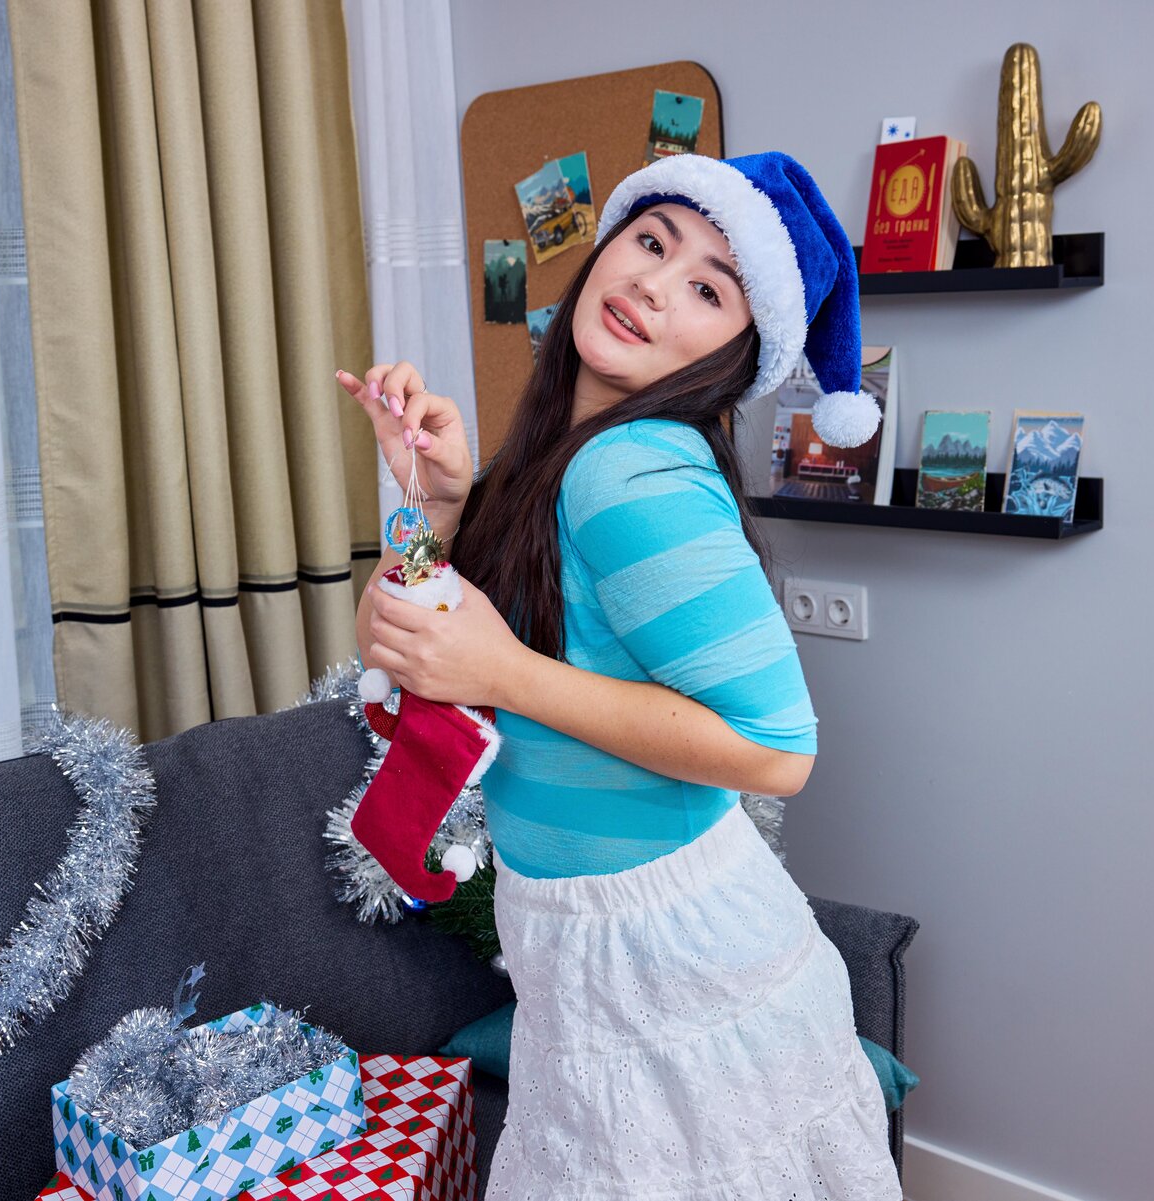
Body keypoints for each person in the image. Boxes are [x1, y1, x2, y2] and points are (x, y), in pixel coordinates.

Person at [337, 151, 897, 1199]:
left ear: (737, 352)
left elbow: (779, 750)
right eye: (650, 241)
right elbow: (403, 645)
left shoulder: (627, 471)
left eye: (709, 289)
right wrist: (435, 504)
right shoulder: (555, 460)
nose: (653, 284)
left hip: (670, 958)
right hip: (585, 943)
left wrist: (510, 673)